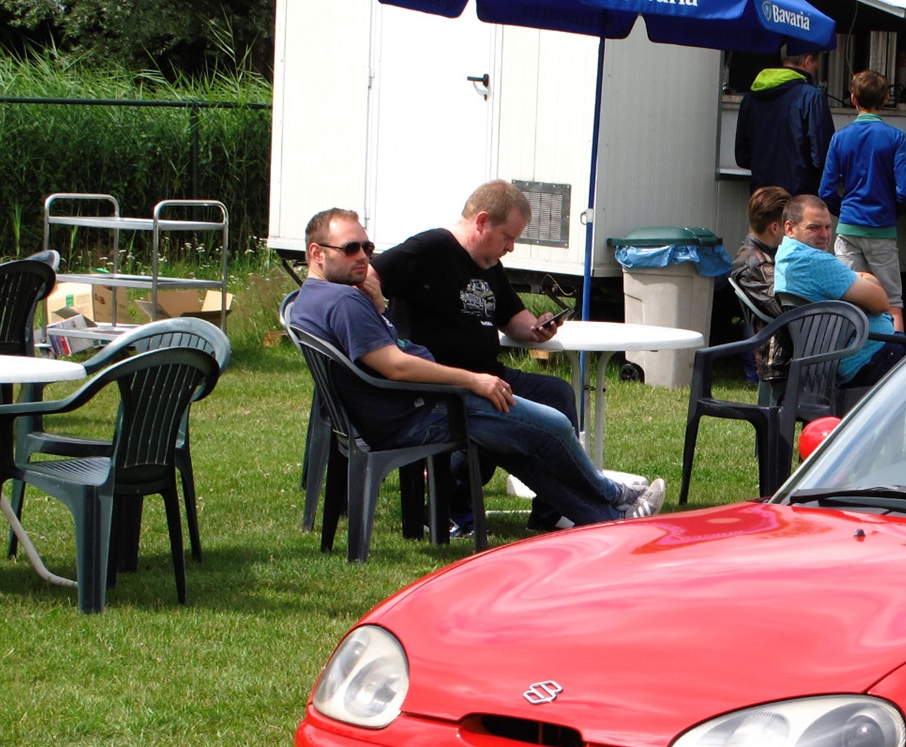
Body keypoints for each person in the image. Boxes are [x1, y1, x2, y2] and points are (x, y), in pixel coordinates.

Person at [291, 209, 663, 526]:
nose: (364, 258)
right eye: (351, 248)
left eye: (368, 248)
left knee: (520, 448)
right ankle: (615, 493)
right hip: (419, 410)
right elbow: (395, 366)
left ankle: (607, 519)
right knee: (553, 426)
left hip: (407, 406)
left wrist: (379, 309)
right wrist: (473, 381)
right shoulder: (344, 301)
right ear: (317, 253)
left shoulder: (312, 298)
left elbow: (384, 352)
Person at [372, 180, 579, 531]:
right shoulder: (429, 249)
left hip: (489, 375)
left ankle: (550, 513)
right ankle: (451, 502)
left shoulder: (488, 263)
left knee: (558, 395)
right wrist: (377, 317)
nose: (511, 247)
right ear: (482, 221)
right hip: (444, 385)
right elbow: (369, 276)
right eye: (507, 237)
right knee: (498, 416)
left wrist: (536, 327)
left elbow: (513, 318)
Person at [773, 195, 905, 395]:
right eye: (814, 227)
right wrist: (862, 284)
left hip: (855, 356)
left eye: (827, 227)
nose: (825, 234)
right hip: (869, 358)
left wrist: (860, 284)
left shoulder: (787, 256)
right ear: (790, 228)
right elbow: (880, 302)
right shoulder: (813, 260)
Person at [819, 69, 906, 331]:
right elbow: (905, 191)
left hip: (849, 227)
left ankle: (843, 358)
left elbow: (826, 192)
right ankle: (897, 358)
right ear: (884, 99)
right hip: (882, 227)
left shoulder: (839, 138)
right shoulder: (896, 138)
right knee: (892, 300)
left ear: (852, 98)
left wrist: (846, 211)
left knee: (846, 298)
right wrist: (892, 212)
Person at [735, 44, 834, 196]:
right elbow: (822, 156)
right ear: (807, 61)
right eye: (815, 65)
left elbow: (742, 157)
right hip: (799, 196)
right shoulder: (812, 97)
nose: (815, 70)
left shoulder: (750, 98)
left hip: (762, 196)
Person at [729, 185, 792, 391]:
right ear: (775, 228)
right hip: (783, 360)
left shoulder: (764, 256)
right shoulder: (755, 264)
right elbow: (786, 309)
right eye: (789, 226)